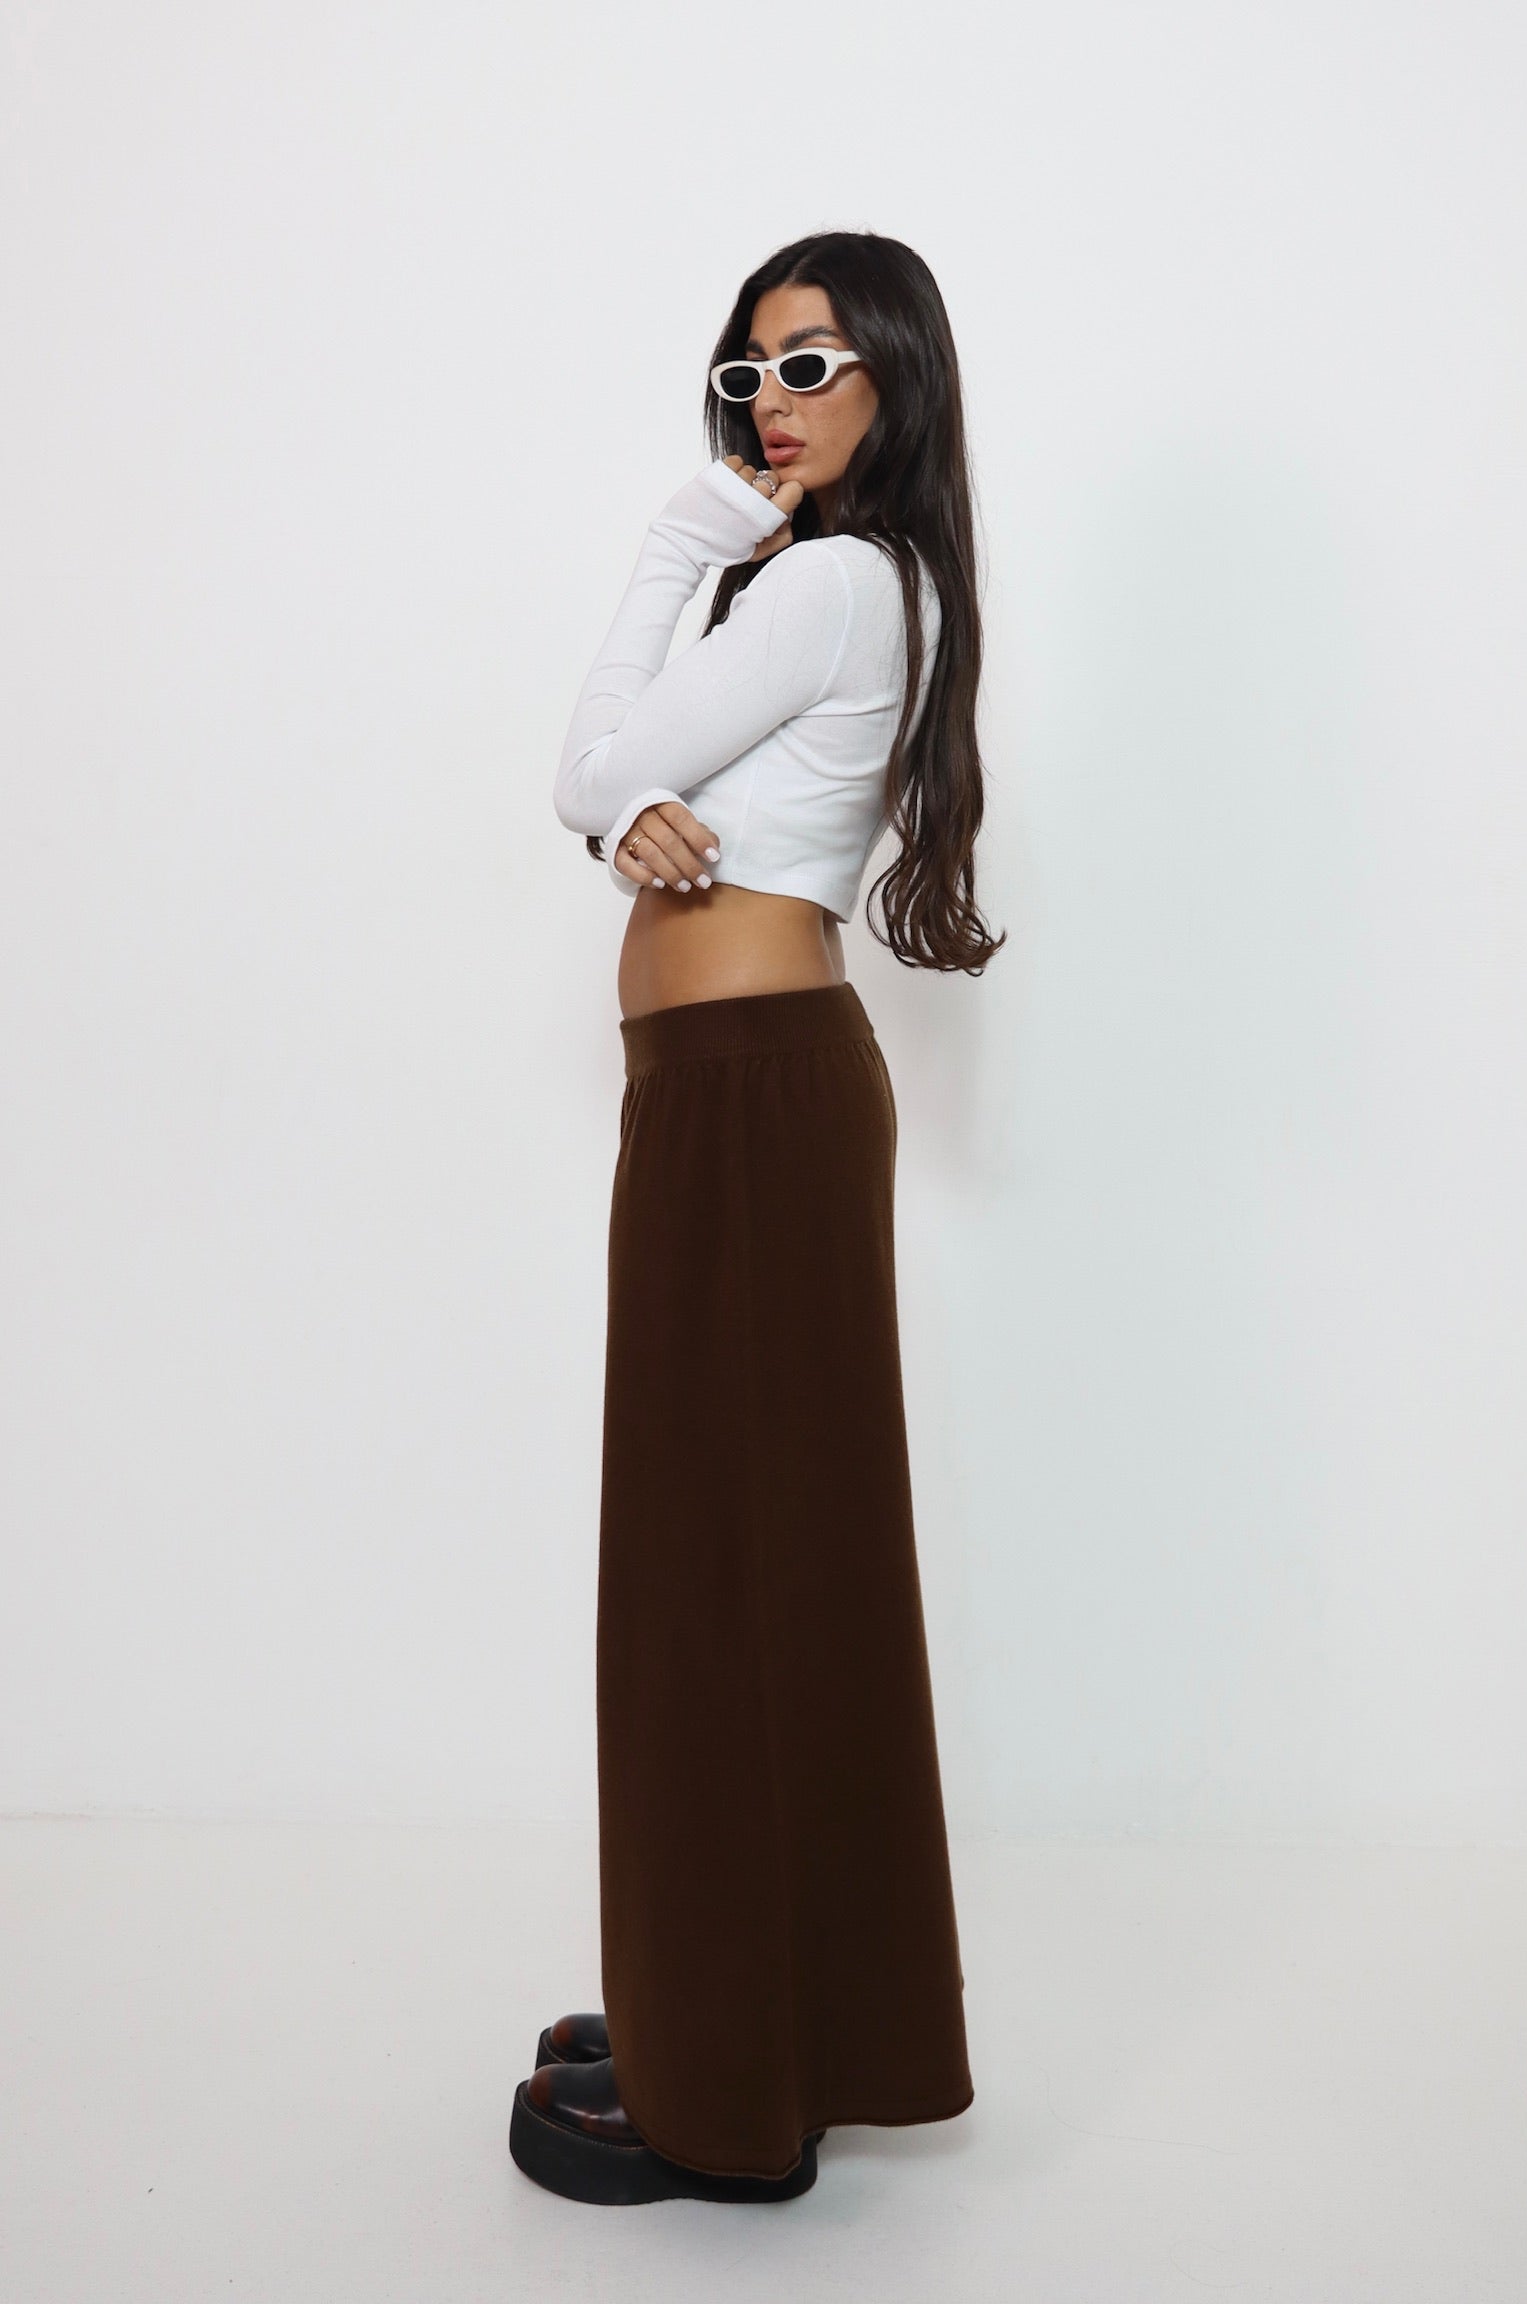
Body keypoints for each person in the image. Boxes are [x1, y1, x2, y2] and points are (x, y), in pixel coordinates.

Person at [509, 228, 1005, 2207]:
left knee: (717, 1575)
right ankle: (756, 2014)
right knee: (755, 1564)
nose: (772, 405)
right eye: (749, 373)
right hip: (743, 1088)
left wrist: (679, 540)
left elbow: (588, 761)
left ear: (893, 379)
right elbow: (621, 791)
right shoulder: (856, 586)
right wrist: (623, 814)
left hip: (748, 1096)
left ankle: (725, 2093)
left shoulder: (824, 583)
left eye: (810, 366)